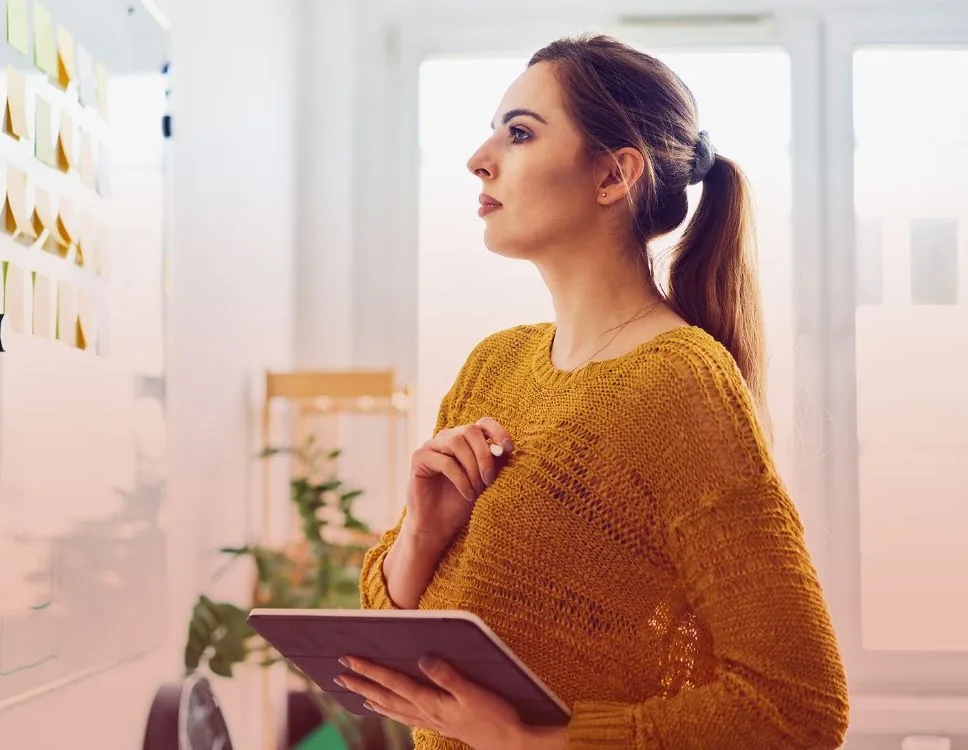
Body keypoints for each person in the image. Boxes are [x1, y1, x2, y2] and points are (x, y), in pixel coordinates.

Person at [338, 34, 849, 749]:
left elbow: (799, 707)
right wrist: (422, 532)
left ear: (614, 175)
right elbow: (406, 665)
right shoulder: (494, 366)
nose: (479, 159)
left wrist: (531, 743)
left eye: (519, 133)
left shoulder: (678, 382)